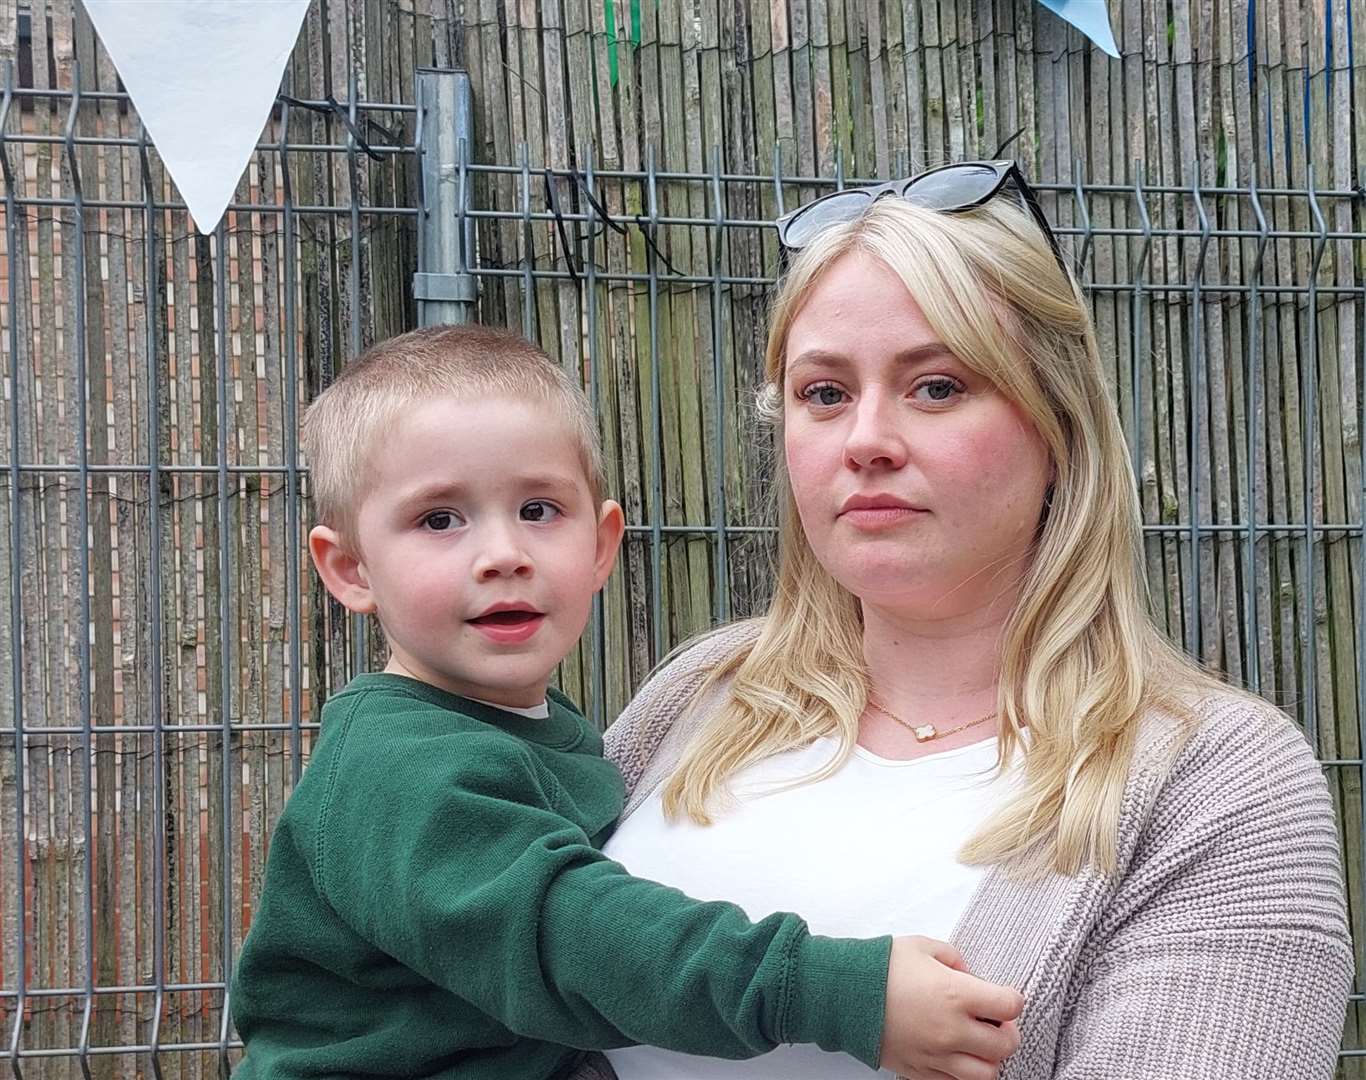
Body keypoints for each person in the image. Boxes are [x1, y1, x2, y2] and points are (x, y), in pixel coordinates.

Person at [591, 164, 1354, 1080]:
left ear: (1058, 428)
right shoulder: (699, 697)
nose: (866, 438)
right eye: (824, 393)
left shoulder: (1219, 787)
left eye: (937, 386)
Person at [228, 323, 1026, 1080]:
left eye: (539, 510)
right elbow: (573, 939)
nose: (503, 555)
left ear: (603, 544)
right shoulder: (395, 774)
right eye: (440, 519)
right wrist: (841, 992)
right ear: (351, 570)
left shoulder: (537, 728)